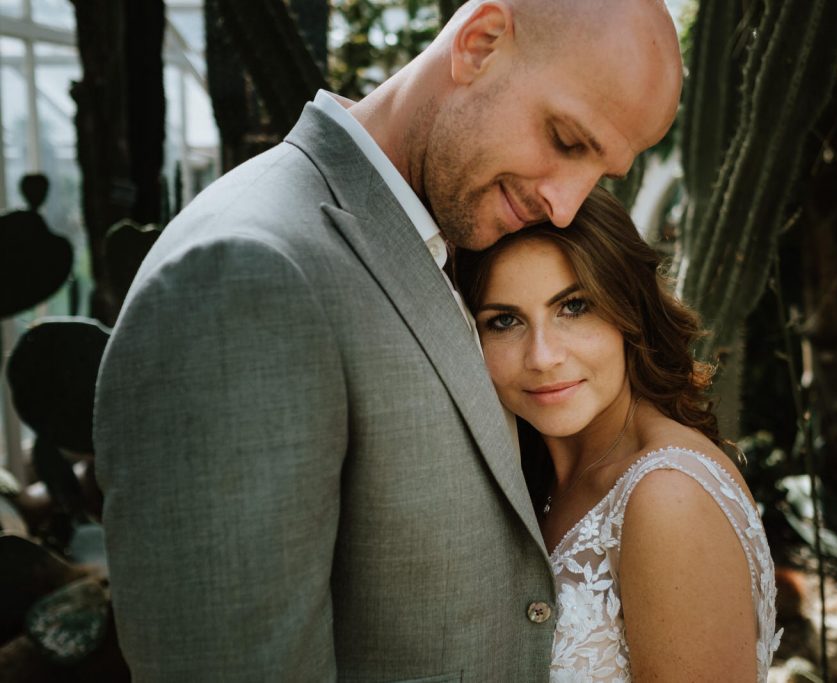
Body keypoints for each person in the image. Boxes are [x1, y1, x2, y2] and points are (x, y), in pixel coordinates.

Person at [93, 0, 682, 680]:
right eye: (566, 140)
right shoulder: (250, 274)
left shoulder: (440, 233)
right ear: (481, 43)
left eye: (599, 175)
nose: (566, 205)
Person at [456, 186, 781, 681]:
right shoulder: (530, 476)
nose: (543, 356)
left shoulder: (668, 495)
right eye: (504, 320)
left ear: (630, 310)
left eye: (574, 307)